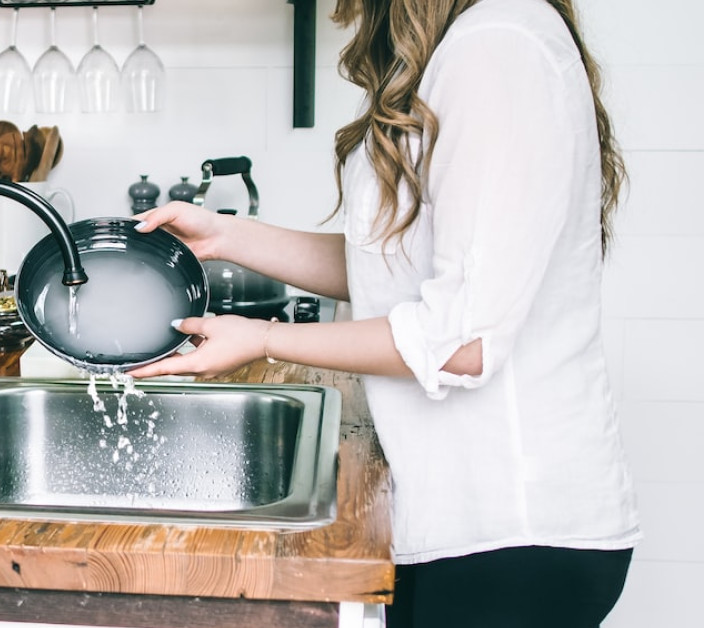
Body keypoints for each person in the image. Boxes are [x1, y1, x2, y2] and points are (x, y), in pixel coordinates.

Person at [128, 0, 640, 626]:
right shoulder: (467, 45)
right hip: (462, 519)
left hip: (512, 529)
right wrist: (224, 236)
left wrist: (263, 338)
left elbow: (461, 342)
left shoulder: (497, 45)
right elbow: (395, 271)